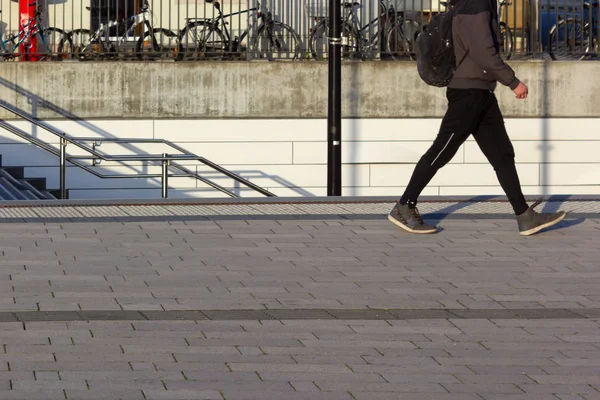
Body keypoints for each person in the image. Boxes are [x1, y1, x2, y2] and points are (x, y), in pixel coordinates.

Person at [388, 0, 566, 236]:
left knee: (502, 154)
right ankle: (404, 206)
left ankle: (525, 216)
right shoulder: (475, 4)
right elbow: (484, 51)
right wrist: (512, 81)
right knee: (442, 150)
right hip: (468, 94)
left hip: (482, 92)